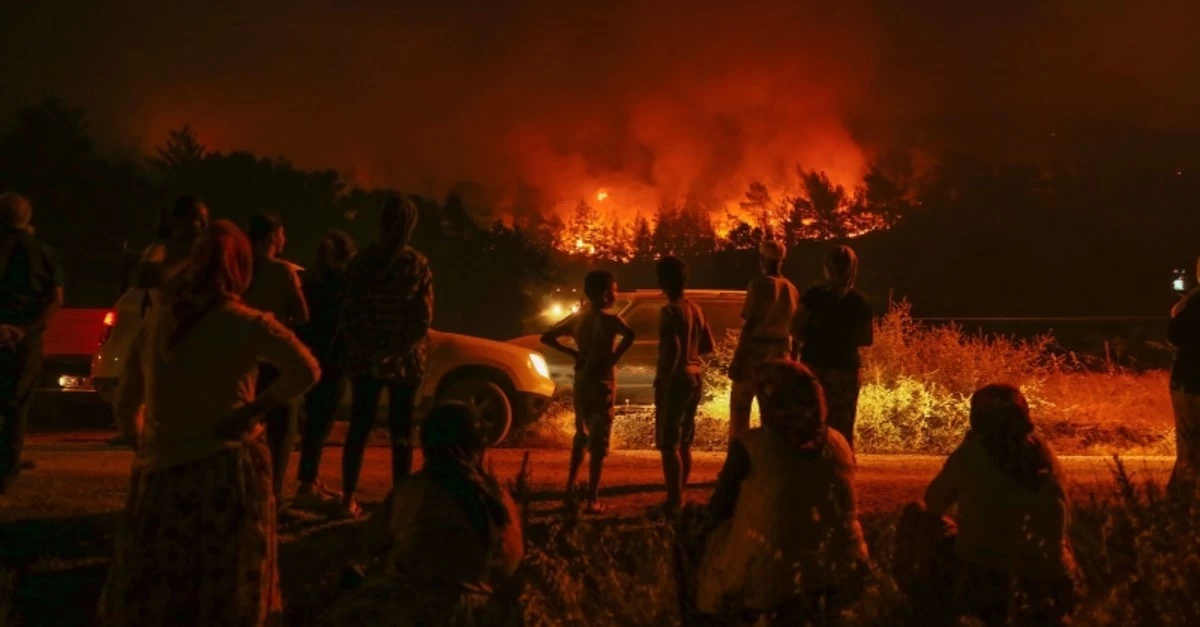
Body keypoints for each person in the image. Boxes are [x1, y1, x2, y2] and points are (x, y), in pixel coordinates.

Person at [98, 220, 320, 626]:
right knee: (224, 588)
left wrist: (145, 445)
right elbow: (306, 370)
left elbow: (127, 400)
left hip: (163, 476)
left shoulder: (156, 325)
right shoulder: (248, 323)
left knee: (161, 589)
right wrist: (254, 411)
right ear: (241, 270)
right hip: (227, 471)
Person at [318, 403, 523, 626]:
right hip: (492, 610)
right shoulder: (501, 498)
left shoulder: (416, 489)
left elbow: (367, 544)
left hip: (422, 607)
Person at [699, 360, 870, 622]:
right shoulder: (838, 441)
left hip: (771, 584)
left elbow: (718, 512)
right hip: (844, 574)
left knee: (694, 541)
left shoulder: (752, 445)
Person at [901, 384, 1078, 626]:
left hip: (991, 578)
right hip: (1056, 578)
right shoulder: (1045, 453)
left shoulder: (971, 454)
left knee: (916, 517)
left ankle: (927, 611)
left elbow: (933, 503)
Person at [341, 195, 434, 518]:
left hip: (366, 360)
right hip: (406, 363)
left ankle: (347, 497)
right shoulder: (417, 264)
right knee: (402, 433)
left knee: (359, 427)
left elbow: (351, 311)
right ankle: (399, 501)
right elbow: (422, 318)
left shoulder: (361, 262)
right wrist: (396, 351)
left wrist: (373, 350)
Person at [109, 196, 209, 446]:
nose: (202, 223)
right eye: (196, 217)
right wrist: (178, 257)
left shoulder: (210, 250)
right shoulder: (166, 248)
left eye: (204, 218)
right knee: (130, 392)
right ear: (179, 220)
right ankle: (135, 439)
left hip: (197, 323)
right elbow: (144, 277)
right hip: (162, 320)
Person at [541, 270, 635, 513]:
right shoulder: (611, 320)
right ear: (606, 294)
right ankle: (592, 497)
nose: (617, 293)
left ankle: (569, 490)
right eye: (615, 288)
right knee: (598, 442)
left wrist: (575, 354)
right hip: (602, 385)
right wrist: (613, 358)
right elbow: (630, 336)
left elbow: (547, 337)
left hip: (582, 383)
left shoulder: (578, 319)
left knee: (580, 436)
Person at [243, 213, 310, 501]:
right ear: (272, 237)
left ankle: (245, 489)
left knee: (246, 427)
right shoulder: (283, 272)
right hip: (277, 362)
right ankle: (274, 494)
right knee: (282, 433)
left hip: (245, 361)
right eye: (281, 233)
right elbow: (304, 314)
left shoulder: (240, 270)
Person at [0, 193, 64, 494]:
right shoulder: (42, 252)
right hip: (25, 341)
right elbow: (56, 299)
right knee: (15, 407)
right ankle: (5, 474)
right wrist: (23, 330)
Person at [293, 230, 357, 510]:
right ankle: (308, 483)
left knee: (309, 426)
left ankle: (309, 480)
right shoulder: (343, 286)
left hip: (307, 359)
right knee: (319, 427)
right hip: (332, 363)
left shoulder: (306, 283)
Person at [792, 245, 872, 449]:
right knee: (843, 426)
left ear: (828, 267)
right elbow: (866, 338)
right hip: (847, 370)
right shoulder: (860, 301)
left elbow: (794, 327)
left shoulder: (814, 295)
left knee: (813, 421)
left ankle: (812, 470)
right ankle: (842, 467)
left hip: (815, 366)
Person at [654, 256, 714, 511]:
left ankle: (673, 500)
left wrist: (663, 381)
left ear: (663, 281)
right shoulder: (696, 309)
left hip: (677, 377)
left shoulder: (669, 311)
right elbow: (708, 346)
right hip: (695, 375)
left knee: (669, 443)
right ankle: (681, 494)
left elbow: (672, 351)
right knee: (685, 441)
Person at [728, 240, 798, 440]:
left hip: (754, 356)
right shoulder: (791, 289)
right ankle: (772, 456)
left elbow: (750, 324)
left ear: (762, 259)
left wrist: (738, 358)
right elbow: (795, 330)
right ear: (782, 260)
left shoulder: (758, 285)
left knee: (740, 409)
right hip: (780, 357)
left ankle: (739, 456)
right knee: (773, 413)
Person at [1168, 255, 1200, 498]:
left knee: (1189, 442)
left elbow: (1175, 335)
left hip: (1188, 381)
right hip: (1190, 381)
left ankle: (1181, 496)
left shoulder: (1192, 303)